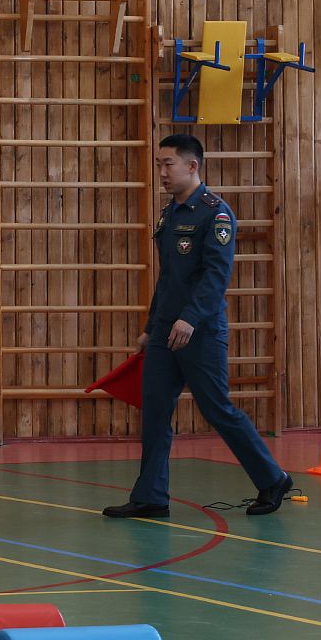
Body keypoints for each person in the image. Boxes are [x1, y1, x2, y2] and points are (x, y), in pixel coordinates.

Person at [104, 134, 292, 519]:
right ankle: (151, 496)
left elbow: (216, 276)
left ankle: (272, 479)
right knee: (155, 409)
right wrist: (151, 327)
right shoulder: (169, 214)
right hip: (164, 332)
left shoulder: (215, 214)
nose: (162, 172)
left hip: (200, 331)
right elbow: (168, 278)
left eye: (168, 164)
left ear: (192, 166)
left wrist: (190, 318)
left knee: (216, 407)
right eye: (159, 164)